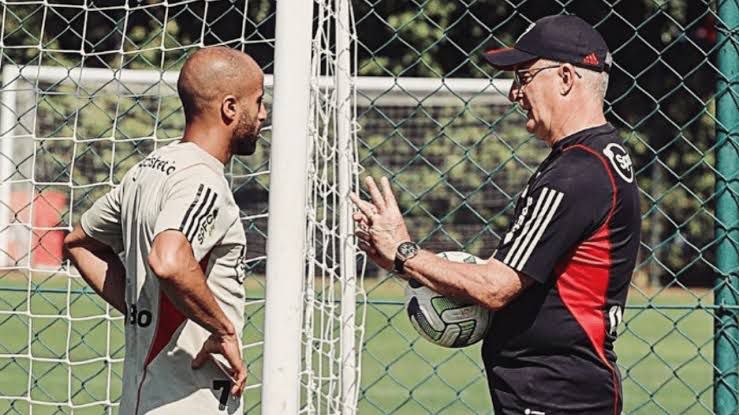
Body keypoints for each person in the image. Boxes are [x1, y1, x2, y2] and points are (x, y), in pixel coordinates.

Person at [350, 15, 640, 415]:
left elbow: (495, 286)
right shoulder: (594, 161)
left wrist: (404, 253)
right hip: (561, 393)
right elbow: (513, 276)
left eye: (524, 76)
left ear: (566, 78)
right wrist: (405, 261)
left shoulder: (577, 174)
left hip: (557, 399)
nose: (513, 92)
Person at [63, 46, 267, 414]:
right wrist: (223, 331)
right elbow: (170, 260)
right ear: (231, 108)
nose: (264, 114)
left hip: (143, 398)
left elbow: (80, 243)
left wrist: (142, 308)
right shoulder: (203, 181)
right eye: (259, 101)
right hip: (187, 399)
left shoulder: (150, 168)